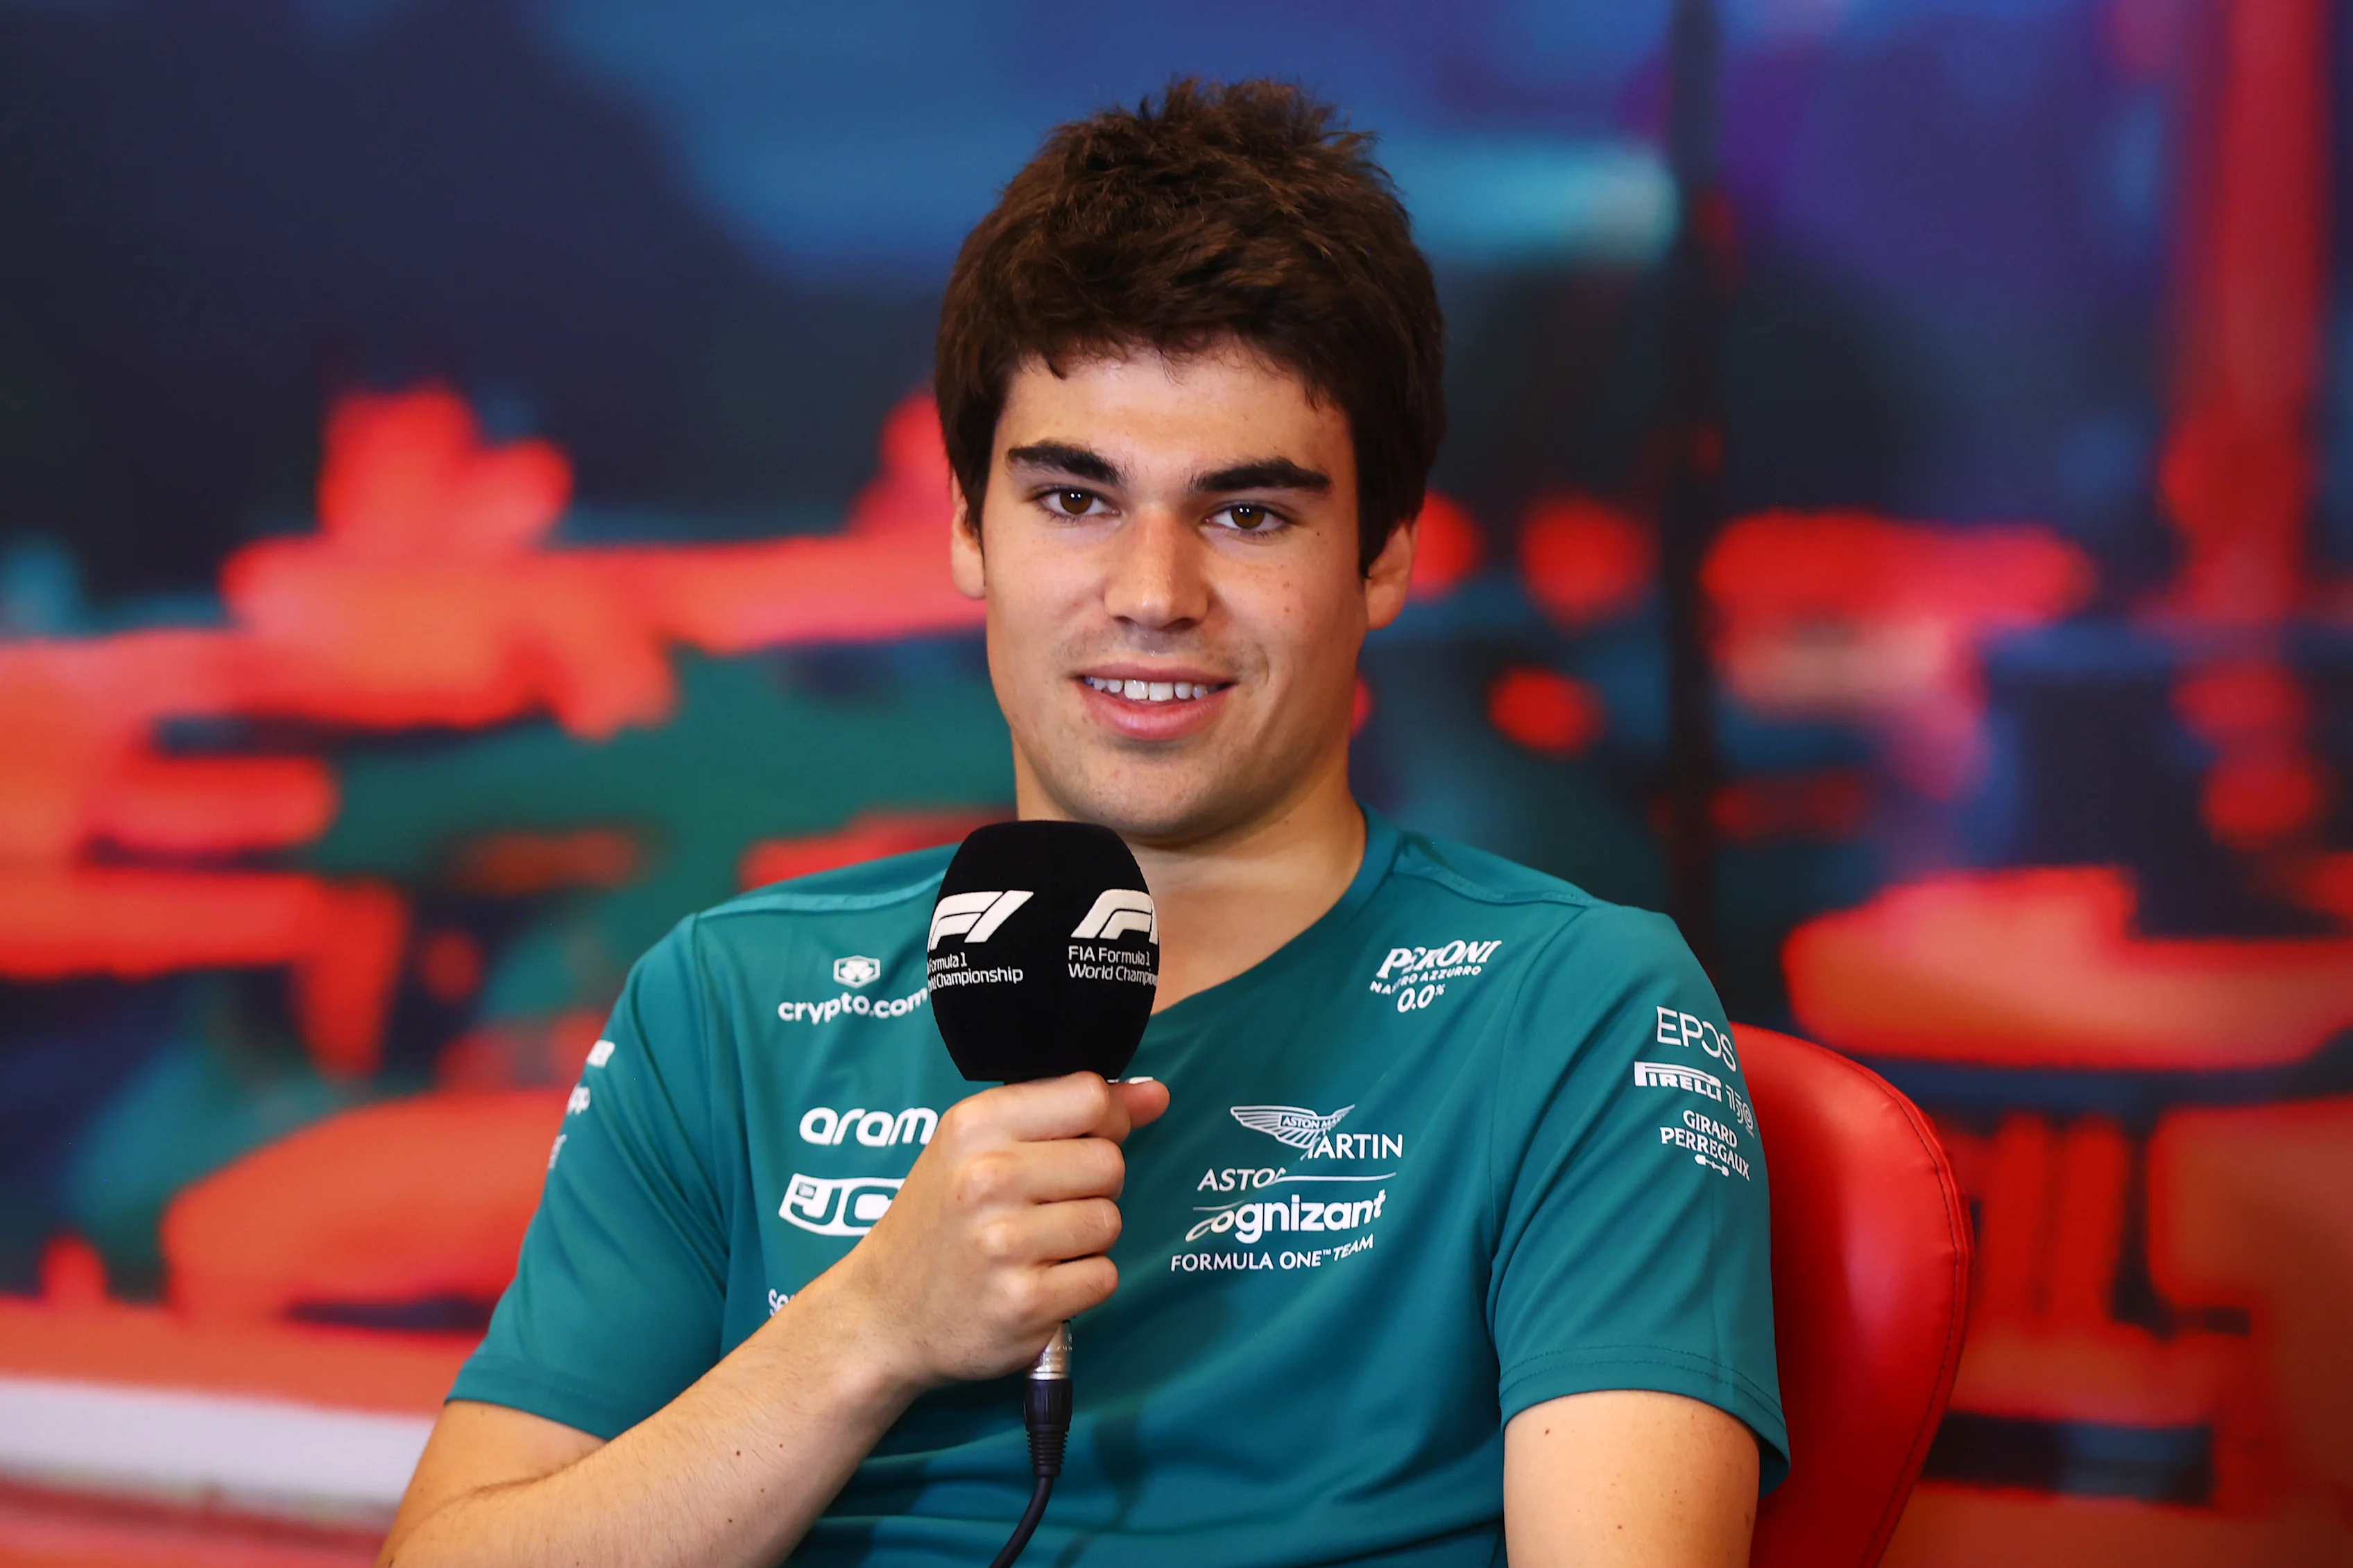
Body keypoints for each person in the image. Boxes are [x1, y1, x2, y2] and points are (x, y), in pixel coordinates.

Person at [380, 78, 1784, 1568]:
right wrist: (871, 1326)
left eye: (1247, 512)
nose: (1152, 590)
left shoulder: (1576, 1010)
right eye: (1073, 499)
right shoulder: (721, 999)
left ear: (1382, 555)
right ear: (966, 528)